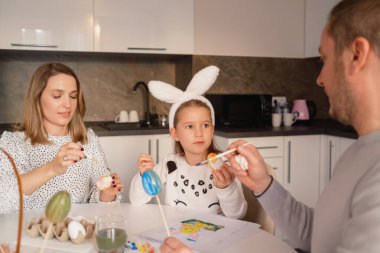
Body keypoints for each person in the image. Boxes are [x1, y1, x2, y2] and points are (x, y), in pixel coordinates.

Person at [159, 0, 380, 252]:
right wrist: (263, 184)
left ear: (357, 55)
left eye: (324, 59)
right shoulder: (359, 152)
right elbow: (314, 233)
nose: (319, 79)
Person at [0, 63, 123, 214]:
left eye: (73, 96)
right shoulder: (13, 144)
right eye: (57, 96)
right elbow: (3, 201)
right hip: (29, 234)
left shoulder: (87, 140)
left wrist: (108, 193)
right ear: (37, 98)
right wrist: (52, 168)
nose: (67, 104)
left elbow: (100, 205)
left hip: (78, 233)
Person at [129, 66, 247, 219]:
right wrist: (144, 176)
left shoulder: (224, 166)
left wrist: (227, 188)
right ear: (175, 134)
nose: (199, 133)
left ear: (212, 130)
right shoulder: (170, 164)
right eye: (189, 126)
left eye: (205, 125)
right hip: (178, 237)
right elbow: (136, 200)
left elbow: (238, 215)